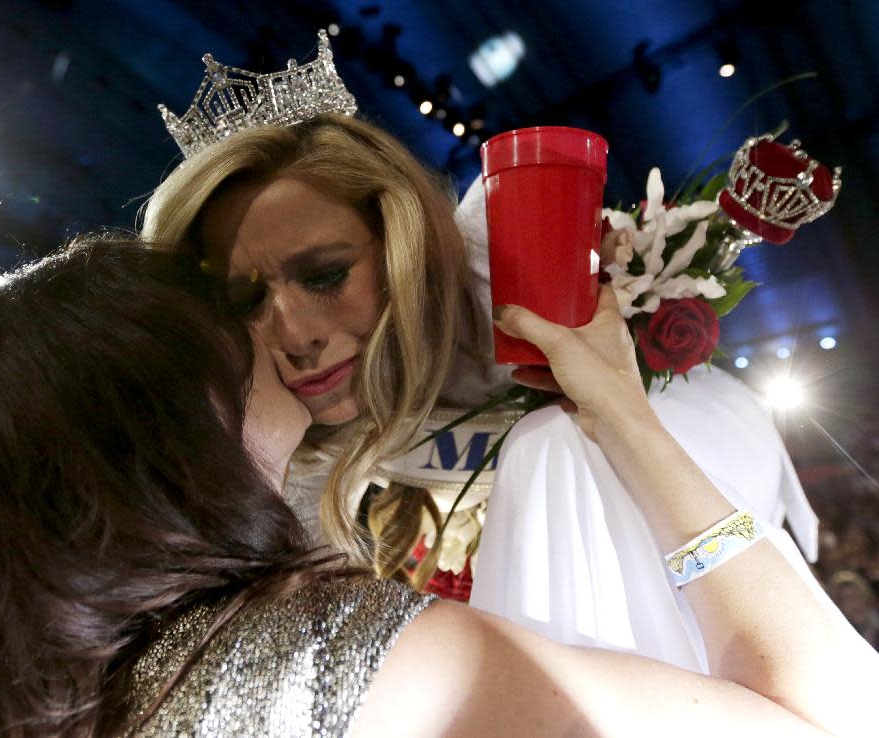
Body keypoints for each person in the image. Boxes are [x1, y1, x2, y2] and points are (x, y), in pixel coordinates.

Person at [0, 235, 876, 737]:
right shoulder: (313, 656)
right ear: (154, 415)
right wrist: (625, 416)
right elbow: (831, 720)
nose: (280, 329)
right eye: (230, 307)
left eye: (321, 273)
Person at [141, 95, 820, 672]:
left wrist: (620, 414)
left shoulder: (526, 344)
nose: (293, 334)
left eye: (324, 276)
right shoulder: (260, 477)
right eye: (244, 301)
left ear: (404, 245)